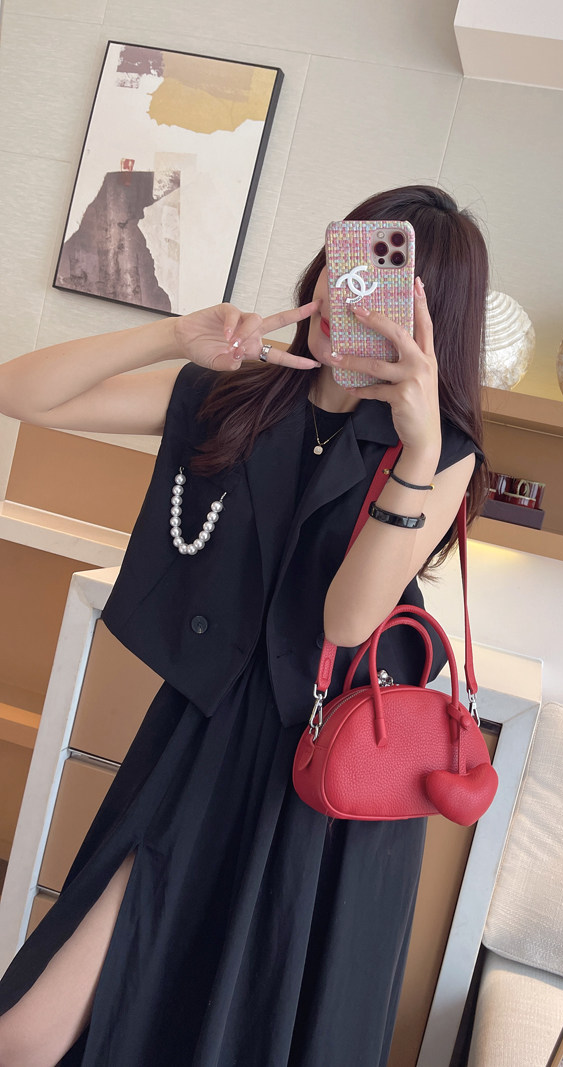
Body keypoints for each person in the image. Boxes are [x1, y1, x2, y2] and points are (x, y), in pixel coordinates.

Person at [0, 184, 488, 1066]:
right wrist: (171, 336)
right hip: (203, 736)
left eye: (379, 283)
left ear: (427, 316)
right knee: (29, 1031)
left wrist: (416, 451)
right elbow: (20, 393)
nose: (348, 295)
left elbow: (346, 618)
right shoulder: (244, 395)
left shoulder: (437, 452)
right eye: (345, 263)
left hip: (321, 781)